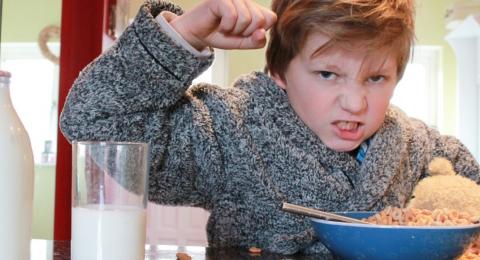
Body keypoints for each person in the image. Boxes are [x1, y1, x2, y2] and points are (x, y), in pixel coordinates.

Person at [60, 0, 480, 256]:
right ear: (279, 69)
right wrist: (183, 34)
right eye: (327, 74)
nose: (356, 103)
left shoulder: (415, 145)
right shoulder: (230, 131)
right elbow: (95, 122)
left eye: (376, 78)